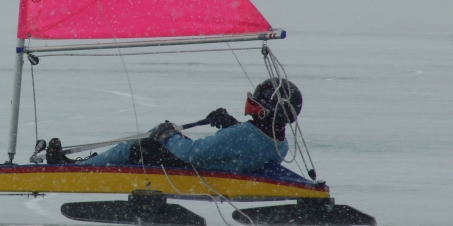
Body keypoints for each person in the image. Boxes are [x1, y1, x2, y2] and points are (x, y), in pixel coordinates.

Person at [46, 78, 302, 175]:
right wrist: (230, 124)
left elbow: (193, 153)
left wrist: (169, 136)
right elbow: (244, 147)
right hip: (217, 166)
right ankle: (85, 164)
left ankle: (74, 169)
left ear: (269, 112)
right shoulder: (279, 144)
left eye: (255, 107)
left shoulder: (245, 135)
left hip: (193, 168)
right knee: (146, 145)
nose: (250, 111)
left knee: (135, 149)